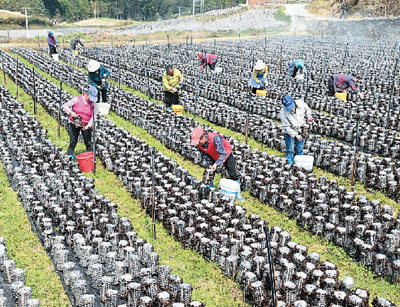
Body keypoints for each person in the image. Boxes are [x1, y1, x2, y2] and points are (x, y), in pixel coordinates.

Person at [191, 126, 243, 201]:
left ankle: (237, 192)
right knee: (210, 171)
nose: (198, 143)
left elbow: (223, 154)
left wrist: (216, 164)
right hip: (212, 154)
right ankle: (209, 188)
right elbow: (205, 155)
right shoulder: (199, 145)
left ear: (203, 137)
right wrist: (210, 164)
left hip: (225, 153)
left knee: (232, 173)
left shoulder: (216, 139)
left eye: (199, 141)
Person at [62, 86, 98, 161]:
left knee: (88, 143)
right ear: (86, 94)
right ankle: (70, 159)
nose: (90, 100)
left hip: (86, 125)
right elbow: (65, 106)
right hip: (74, 123)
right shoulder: (77, 99)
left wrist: (88, 125)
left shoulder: (93, 105)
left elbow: (93, 116)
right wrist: (71, 113)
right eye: (90, 98)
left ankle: (91, 159)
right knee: (73, 142)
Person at [280, 95, 313, 165]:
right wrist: (295, 135)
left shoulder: (301, 103)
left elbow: (308, 110)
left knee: (300, 148)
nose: (291, 109)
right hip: (289, 132)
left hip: (300, 129)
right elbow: (286, 127)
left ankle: (299, 164)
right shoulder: (283, 112)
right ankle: (290, 164)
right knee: (290, 149)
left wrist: (309, 115)